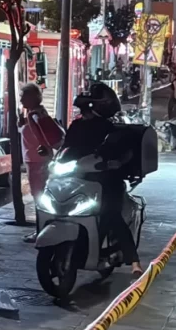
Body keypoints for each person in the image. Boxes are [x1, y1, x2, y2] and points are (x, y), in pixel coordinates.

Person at [58, 83, 143, 276]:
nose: (84, 113)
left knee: (110, 215)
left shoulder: (111, 129)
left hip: (106, 180)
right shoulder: (77, 125)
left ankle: (134, 261)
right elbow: (67, 147)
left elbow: (124, 153)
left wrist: (114, 163)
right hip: (80, 177)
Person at [20, 83, 65, 243]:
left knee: (39, 197)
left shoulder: (35, 115)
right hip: (38, 160)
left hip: (37, 161)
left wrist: (44, 150)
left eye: (23, 96)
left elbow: (48, 137)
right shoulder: (37, 113)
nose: (20, 99)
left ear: (31, 98)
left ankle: (41, 229)